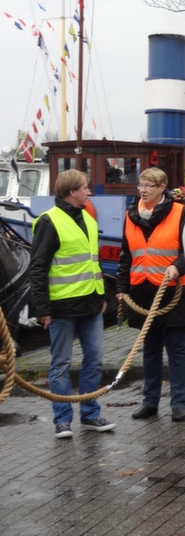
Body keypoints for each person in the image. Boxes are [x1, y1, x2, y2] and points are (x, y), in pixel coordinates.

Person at [30, 169, 115, 439]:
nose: (89, 192)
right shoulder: (48, 222)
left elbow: (94, 262)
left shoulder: (88, 220)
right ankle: (63, 420)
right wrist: (42, 309)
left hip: (91, 305)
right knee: (61, 364)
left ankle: (90, 415)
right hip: (61, 308)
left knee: (94, 361)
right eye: (85, 188)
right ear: (72, 192)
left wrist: (102, 297)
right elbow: (38, 268)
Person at [116, 167, 185, 421]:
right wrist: (121, 289)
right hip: (142, 290)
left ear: (162, 188)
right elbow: (126, 255)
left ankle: (179, 402)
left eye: (149, 185)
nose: (143, 190)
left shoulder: (181, 213)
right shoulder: (131, 214)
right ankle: (150, 401)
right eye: (141, 185)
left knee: (177, 350)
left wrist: (177, 266)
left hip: (172, 292)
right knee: (149, 350)